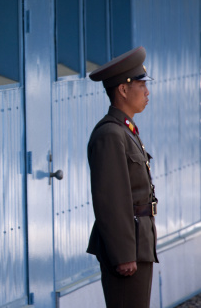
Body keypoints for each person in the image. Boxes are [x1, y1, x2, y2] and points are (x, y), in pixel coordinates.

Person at [86, 46, 158, 308]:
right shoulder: (111, 134)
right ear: (123, 90)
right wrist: (124, 254)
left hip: (138, 243)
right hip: (127, 249)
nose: (147, 92)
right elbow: (112, 200)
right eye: (141, 85)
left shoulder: (125, 130)